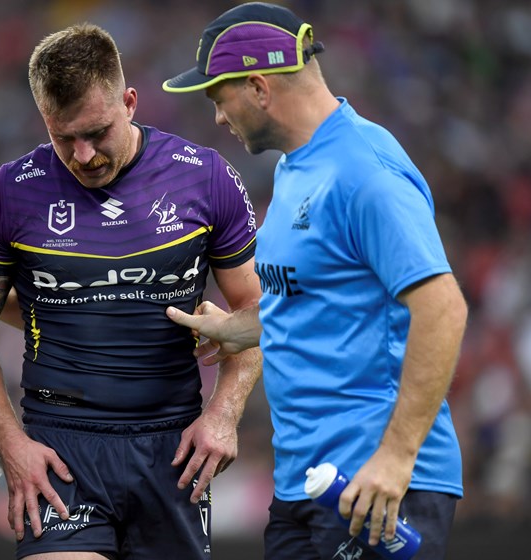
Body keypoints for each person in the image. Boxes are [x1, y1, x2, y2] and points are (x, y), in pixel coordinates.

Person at [162, 3, 468, 559]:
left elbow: (443, 308)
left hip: (375, 481)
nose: (218, 118)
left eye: (218, 97)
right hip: (305, 485)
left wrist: (396, 458)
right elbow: (318, 295)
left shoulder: (364, 172)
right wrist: (238, 328)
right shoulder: (295, 166)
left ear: (259, 87)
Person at [0, 23, 262, 559]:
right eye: (64, 137)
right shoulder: (8, 194)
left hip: (174, 449)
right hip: (60, 450)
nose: (84, 154)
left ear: (130, 103)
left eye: (97, 132)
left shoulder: (205, 178)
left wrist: (224, 414)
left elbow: (257, 310)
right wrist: (13, 445)